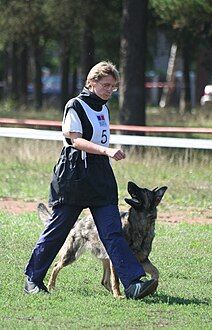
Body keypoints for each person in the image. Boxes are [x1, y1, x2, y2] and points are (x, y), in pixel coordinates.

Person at [24, 61, 158, 299]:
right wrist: (106, 151)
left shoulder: (104, 109)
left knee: (113, 232)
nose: (109, 90)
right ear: (91, 82)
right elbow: (75, 141)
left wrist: (105, 154)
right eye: (105, 85)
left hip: (100, 176)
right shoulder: (74, 105)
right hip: (74, 176)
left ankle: (134, 283)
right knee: (57, 231)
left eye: (113, 87)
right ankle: (33, 280)